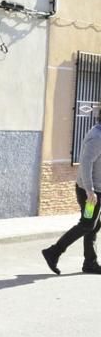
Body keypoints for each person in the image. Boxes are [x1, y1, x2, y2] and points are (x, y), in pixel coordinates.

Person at [43, 106, 101, 275]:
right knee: (87, 224)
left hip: (96, 191)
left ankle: (90, 262)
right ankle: (54, 251)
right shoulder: (96, 137)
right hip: (90, 193)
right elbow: (86, 164)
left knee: (94, 225)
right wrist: (90, 191)